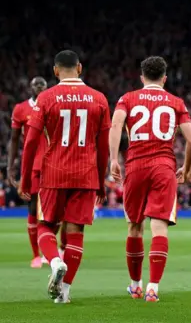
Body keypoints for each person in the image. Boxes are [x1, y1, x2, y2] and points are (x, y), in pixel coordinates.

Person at [20, 50, 111, 303]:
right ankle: (65, 292)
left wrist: (26, 179)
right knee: (76, 232)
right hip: (86, 174)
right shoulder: (99, 99)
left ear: (55, 71)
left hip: (53, 173)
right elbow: (103, 147)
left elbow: (30, 143)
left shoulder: (46, 97)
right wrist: (101, 181)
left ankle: (55, 261)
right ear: (80, 68)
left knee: (45, 226)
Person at [109, 56, 191, 302]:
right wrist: (186, 167)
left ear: (141, 77)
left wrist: (114, 159)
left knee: (134, 227)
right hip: (164, 166)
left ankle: (135, 286)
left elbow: (115, 126)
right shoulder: (176, 102)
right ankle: (153, 289)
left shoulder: (127, 98)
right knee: (159, 227)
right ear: (165, 78)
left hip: (135, 166)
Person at [8, 76, 49, 268]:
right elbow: (14, 140)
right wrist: (11, 167)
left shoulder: (54, 106)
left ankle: (50, 250)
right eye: (36, 85)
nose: (39, 88)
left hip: (53, 164)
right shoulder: (21, 109)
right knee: (33, 208)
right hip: (33, 165)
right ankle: (36, 255)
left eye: (42, 86)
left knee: (53, 211)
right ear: (30, 88)